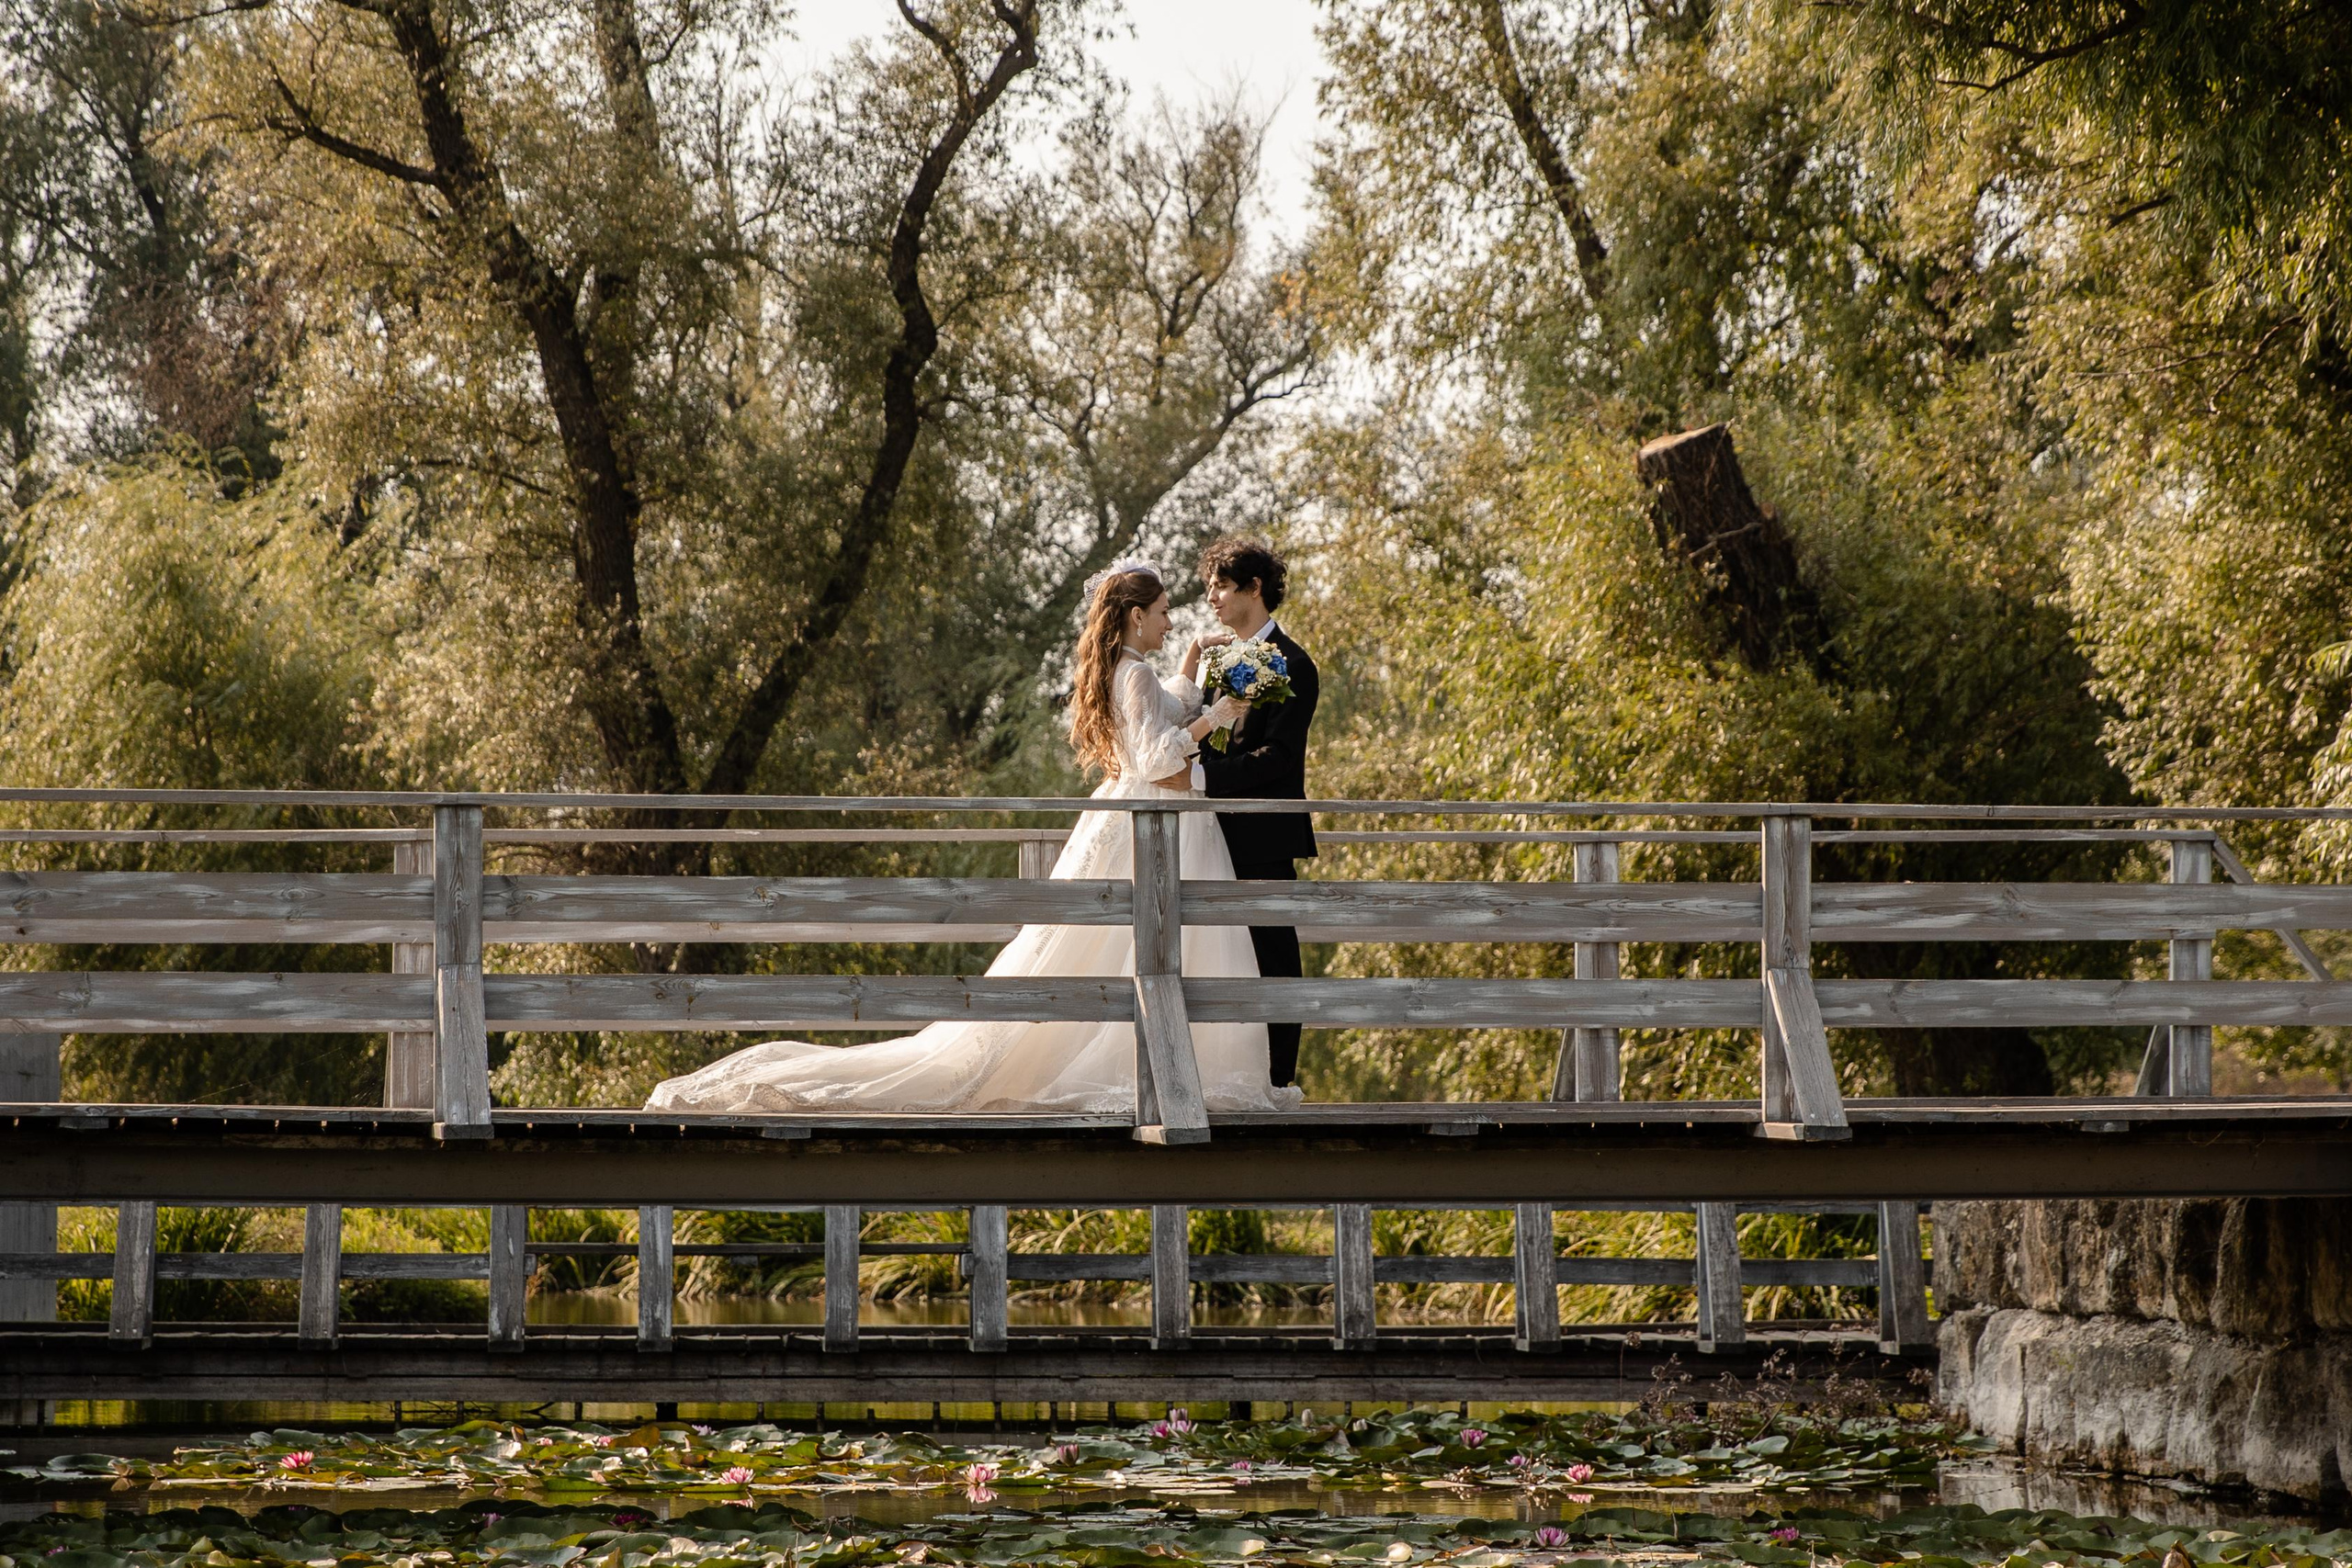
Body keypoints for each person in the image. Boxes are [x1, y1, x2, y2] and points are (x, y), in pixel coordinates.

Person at [643, 561, 1306, 1115]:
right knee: (1140, 947)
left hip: (1146, 818)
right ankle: (1159, 1069)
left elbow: (1164, 710)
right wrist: (1217, 716)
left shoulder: (1132, 669)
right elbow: (1159, 757)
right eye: (1162, 612)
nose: (1170, 620)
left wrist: (1192, 669)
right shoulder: (1131, 673)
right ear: (1136, 617)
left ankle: (1162, 1064)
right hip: (1153, 819)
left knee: (1121, 948)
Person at [1188, 537, 1318, 1090]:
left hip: (1263, 837)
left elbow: (1279, 756)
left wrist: (1200, 781)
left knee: (1273, 960)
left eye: (1220, 585)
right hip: (1206, 836)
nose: (1211, 597)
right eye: (1210, 587)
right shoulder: (1218, 662)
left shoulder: (1295, 664)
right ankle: (1217, 1077)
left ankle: (1278, 1082)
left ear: (1254, 587)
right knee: (1210, 958)